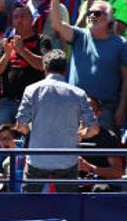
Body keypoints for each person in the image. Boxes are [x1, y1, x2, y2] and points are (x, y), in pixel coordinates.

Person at [16, 49, 100, 192]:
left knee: (28, 208)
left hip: (37, 160)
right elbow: (95, 129)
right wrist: (81, 135)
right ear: (65, 69)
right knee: (68, 209)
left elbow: (20, 126)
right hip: (67, 162)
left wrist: (34, 133)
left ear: (44, 67)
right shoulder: (78, 93)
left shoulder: (31, 90)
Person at [51, 0, 127, 131]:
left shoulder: (120, 43)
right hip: (75, 106)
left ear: (109, 19)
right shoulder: (79, 35)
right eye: (90, 13)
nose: (92, 16)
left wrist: (122, 107)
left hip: (106, 109)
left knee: (101, 151)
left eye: (97, 13)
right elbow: (57, 24)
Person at [0, 4, 50, 128]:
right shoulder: (6, 42)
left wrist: (22, 50)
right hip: (8, 101)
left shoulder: (42, 40)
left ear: (32, 20)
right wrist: (7, 54)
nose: (19, 20)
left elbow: (45, 65)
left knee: (31, 140)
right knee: (4, 136)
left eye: (23, 16)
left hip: (35, 102)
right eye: (16, 17)